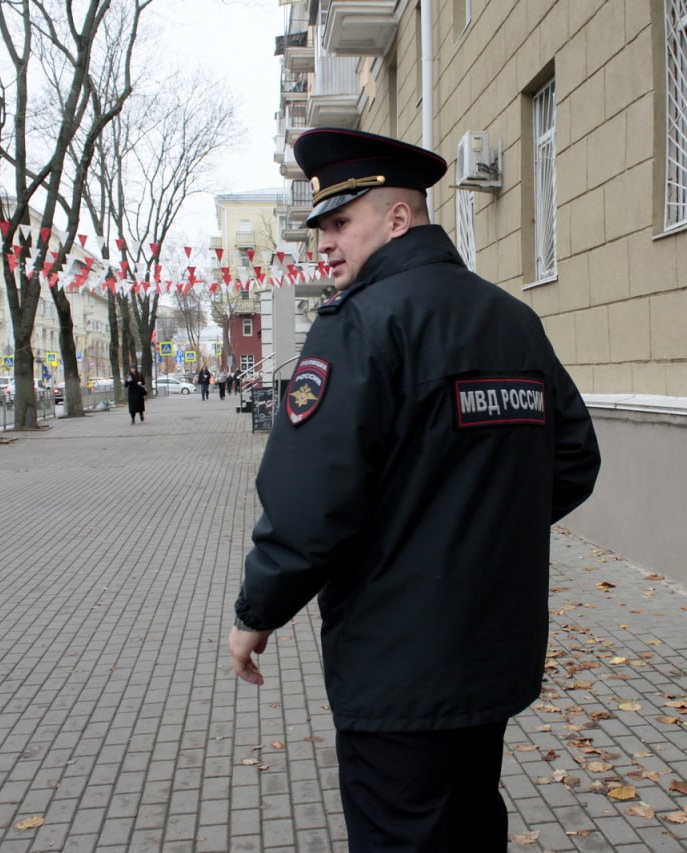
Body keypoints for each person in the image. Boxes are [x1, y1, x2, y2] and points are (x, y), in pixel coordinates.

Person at [228, 128, 600, 852]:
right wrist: (479, 526)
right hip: (490, 650)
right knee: (468, 827)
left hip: (395, 662)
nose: (324, 243)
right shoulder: (513, 320)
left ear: (399, 219)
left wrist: (256, 613)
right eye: (320, 228)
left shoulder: (361, 324)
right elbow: (573, 461)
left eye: (340, 222)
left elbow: (311, 504)